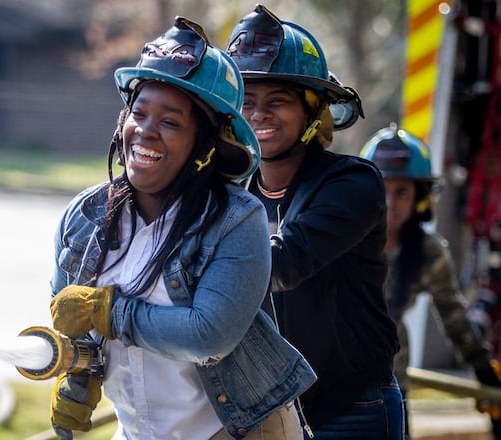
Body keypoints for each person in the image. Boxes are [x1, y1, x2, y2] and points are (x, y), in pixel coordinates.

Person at [47, 17, 316, 440]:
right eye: (139, 112)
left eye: (170, 122)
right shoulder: (86, 216)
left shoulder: (235, 219)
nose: (146, 131)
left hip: (239, 429)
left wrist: (109, 311)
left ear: (206, 144)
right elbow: (73, 324)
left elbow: (208, 336)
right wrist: (77, 380)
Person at [225, 5, 404, 439]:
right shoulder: (235, 193)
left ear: (313, 110)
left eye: (278, 101)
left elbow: (284, 263)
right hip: (271, 409)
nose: (259, 114)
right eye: (247, 102)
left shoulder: (353, 184)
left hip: (354, 409)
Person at [361, 124, 501, 437]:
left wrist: (483, 372)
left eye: (403, 192)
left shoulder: (428, 252)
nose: (391, 202)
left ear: (421, 199)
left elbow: (454, 318)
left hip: (392, 379)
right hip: (337, 375)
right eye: (382, 188)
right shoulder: (343, 238)